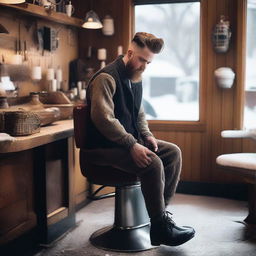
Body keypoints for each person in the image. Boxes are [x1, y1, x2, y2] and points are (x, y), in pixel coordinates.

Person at [85, 32, 195, 247]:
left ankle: (160, 220)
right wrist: (132, 144)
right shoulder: (106, 78)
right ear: (129, 53)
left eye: (149, 62)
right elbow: (104, 120)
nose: (144, 66)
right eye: (142, 60)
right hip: (101, 148)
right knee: (152, 163)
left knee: (172, 152)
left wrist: (146, 135)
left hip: (124, 143)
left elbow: (139, 113)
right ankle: (160, 224)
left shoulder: (134, 77)